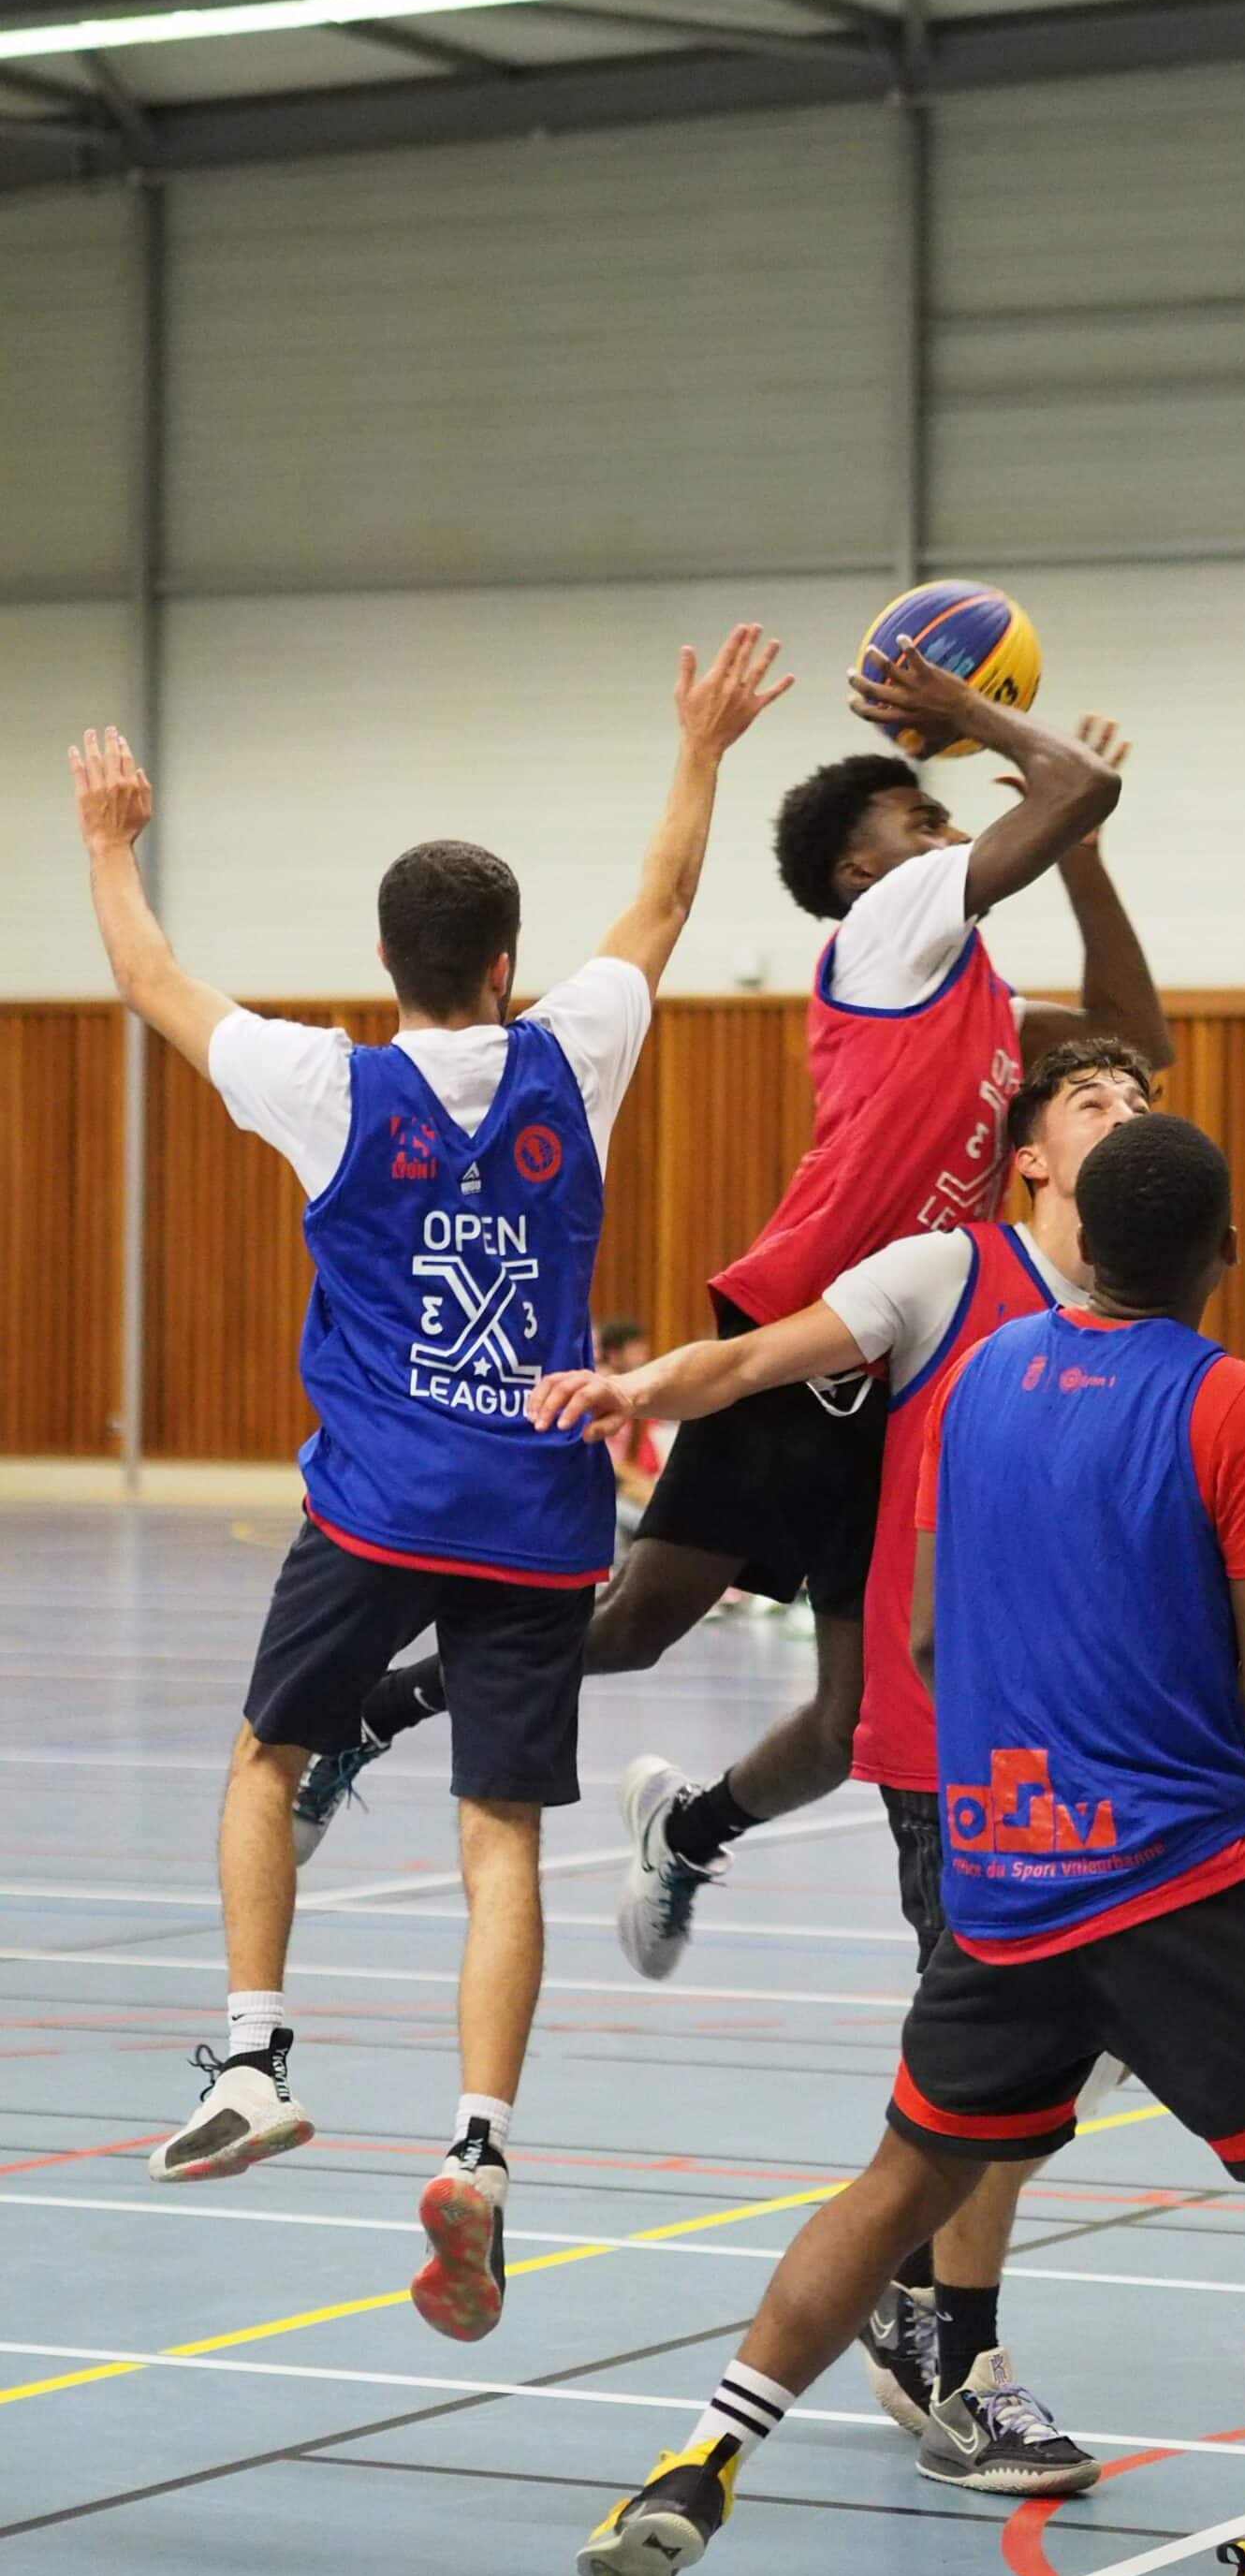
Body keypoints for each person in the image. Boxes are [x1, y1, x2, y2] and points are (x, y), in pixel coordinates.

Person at [68, 623, 791, 2347]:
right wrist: (703, 746)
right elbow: (666, 900)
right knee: (499, 1841)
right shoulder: (577, 1056)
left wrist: (109, 844)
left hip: (378, 1512)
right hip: (540, 1521)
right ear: (509, 966)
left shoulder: (329, 1085)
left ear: (386, 963)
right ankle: (478, 2149)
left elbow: (154, 982)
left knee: (268, 1760)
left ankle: (253, 2061)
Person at [574, 1115, 1245, 2576]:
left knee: (901, 2180)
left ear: (1088, 1238)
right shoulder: (1242, 1403)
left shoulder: (987, 1378)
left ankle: (700, 2460)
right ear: (1225, 1250)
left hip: (1001, 1870)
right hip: (1177, 1875)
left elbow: (934, 1640)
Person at [306, 643, 1172, 1936]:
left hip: (909, 1376)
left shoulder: (984, 996)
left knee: (853, 1716)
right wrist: (966, 711)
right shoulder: (888, 929)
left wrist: (1086, 862)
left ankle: (689, 1831)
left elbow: (1139, 1040)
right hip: (803, 1335)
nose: (945, 829)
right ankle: (374, 1710)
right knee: (636, 1624)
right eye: (918, 816)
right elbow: (1079, 781)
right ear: (861, 871)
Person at [534, 1034, 1153, 2496]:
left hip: (1098, 1750)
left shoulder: (1147, 1314)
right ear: (1031, 1157)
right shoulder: (948, 1272)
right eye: (1093, 1100)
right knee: (1002, 2067)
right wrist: (643, 1388)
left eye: (1143, 1103)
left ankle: (916, 2300)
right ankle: (956, 2365)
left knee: (1081, 2046)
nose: (1127, 1113)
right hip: (952, 1748)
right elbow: (760, 1354)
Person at [595, 1317, 665, 1549]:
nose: (643, 1358)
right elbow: (609, 1463)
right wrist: (647, 1489)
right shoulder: (602, 1391)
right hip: (611, 1489)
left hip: (634, 1483)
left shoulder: (635, 1393)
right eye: (636, 1352)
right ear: (614, 1355)